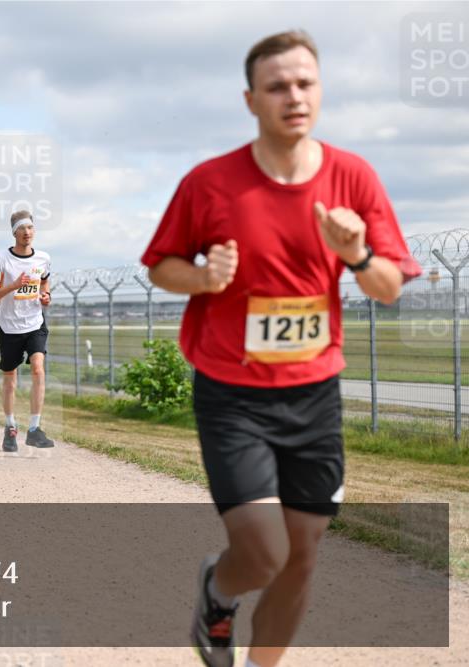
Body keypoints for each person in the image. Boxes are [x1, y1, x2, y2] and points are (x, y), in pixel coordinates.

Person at [140, 31, 421, 667]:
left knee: (303, 557)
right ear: (251, 99)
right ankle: (218, 590)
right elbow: (161, 267)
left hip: (314, 395)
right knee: (264, 551)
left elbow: (389, 289)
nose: (293, 96)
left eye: (304, 83)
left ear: (318, 90)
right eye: (277, 87)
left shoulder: (353, 176)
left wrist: (358, 253)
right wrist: (204, 278)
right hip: (233, 394)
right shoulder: (210, 183)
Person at [0, 210, 54, 452]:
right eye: (22, 228)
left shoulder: (43, 258)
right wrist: (13, 286)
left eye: (30, 228)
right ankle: (10, 426)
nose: (27, 232)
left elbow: (44, 281)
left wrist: (46, 295)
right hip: (8, 325)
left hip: (34, 322)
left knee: (38, 368)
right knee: (10, 379)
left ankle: (34, 429)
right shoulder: (1, 259)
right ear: (14, 232)